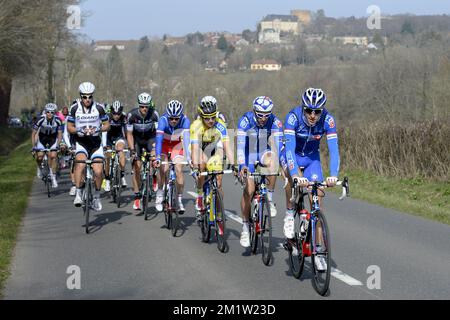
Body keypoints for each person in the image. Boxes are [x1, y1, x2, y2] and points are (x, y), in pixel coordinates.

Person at [281, 88, 340, 271]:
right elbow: (289, 150)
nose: (313, 115)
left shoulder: (328, 120)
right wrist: (297, 175)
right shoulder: (293, 118)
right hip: (292, 156)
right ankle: (290, 213)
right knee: (292, 180)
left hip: (312, 158)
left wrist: (333, 175)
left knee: (317, 202)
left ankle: (319, 250)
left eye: (317, 111)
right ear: (303, 108)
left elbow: (334, 150)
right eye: (309, 110)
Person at [236, 96, 284, 248]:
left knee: (273, 160)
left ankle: (269, 198)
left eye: (266, 115)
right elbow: (240, 147)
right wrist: (242, 165)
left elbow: (279, 146)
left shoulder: (275, 122)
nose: (263, 118)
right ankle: (245, 227)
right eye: (260, 115)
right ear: (254, 111)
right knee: (249, 190)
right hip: (247, 155)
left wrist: (284, 165)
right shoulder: (245, 121)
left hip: (263, 152)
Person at [67, 82, 110, 211]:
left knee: (98, 171)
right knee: (80, 164)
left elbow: (107, 125)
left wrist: (98, 129)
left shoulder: (99, 108)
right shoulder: (74, 108)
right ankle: (79, 193)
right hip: (81, 142)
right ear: (80, 96)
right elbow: (69, 127)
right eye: (84, 97)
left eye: (90, 96)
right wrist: (78, 130)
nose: (87, 99)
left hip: (95, 143)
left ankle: (96, 197)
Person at [190, 96, 233, 219]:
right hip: (199, 148)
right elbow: (194, 148)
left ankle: (219, 214)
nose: (211, 120)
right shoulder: (196, 125)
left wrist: (234, 164)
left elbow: (226, 146)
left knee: (219, 182)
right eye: (207, 118)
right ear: (202, 116)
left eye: (213, 117)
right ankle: (199, 196)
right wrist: (196, 166)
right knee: (202, 164)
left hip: (213, 148)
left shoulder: (220, 125)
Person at [154, 100, 191, 213]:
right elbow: (159, 140)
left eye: (176, 118)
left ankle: (179, 199)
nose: (174, 121)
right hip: (164, 145)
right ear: (167, 116)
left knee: (179, 168)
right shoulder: (162, 120)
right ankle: (160, 193)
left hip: (176, 146)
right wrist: (158, 158)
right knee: (163, 168)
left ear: (180, 117)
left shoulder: (185, 121)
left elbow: (186, 140)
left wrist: (189, 158)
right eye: (171, 118)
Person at [126, 92, 160, 211]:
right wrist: (131, 150)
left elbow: (158, 134)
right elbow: (129, 134)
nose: (144, 109)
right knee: (136, 166)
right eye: (142, 106)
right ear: (139, 105)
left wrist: (156, 149)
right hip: (137, 140)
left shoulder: (154, 114)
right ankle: (137, 196)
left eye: (146, 106)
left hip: (150, 139)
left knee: (155, 157)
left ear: (149, 106)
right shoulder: (132, 115)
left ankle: (154, 175)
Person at [32, 103, 63, 188]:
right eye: (48, 112)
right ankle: (39, 167)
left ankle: (53, 178)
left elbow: (60, 134)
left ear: (55, 113)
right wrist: (34, 146)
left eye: (52, 112)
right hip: (42, 139)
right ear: (45, 112)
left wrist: (58, 144)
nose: (49, 114)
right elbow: (34, 133)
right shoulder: (40, 119)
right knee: (40, 156)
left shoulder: (58, 120)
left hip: (53, 139)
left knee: (53, 156)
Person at [103, 100, 128, 192]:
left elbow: (126, 131)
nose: (116, 116)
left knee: (121, 151)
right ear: (111, 112)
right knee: (108, 158)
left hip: (119, 137)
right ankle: (107, 179)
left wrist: (128, 144)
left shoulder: (124, 117)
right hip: (108, 137)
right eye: (114, 113)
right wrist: (104, 145)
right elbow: (104, 132)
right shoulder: (107, 117)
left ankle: (122, 175)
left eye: (118, 114)